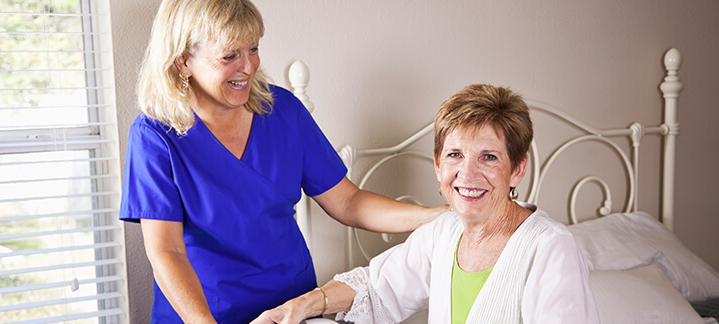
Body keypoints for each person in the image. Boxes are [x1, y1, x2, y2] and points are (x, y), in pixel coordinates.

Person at [118, 0, 447, 323]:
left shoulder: (284, 111)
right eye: (230, 56)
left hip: (292, 309)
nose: (248, 67)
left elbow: (348, 201)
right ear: (183, 61)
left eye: (253, 48)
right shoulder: (154, 137)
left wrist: (432, 218)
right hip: (207, 314)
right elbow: (166, 252)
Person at [251, 84, 600, 324]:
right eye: (455, 155)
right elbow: (376, 287)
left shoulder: (550, 248)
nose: (468, 173)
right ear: (437, 164)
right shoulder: (445, 233)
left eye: (489, 157)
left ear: (518, 168)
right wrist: (304, 304)